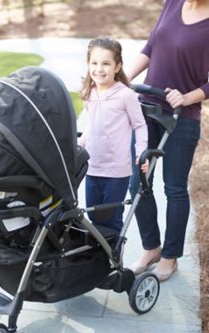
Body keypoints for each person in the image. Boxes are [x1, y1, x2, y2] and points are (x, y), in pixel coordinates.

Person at [127, 0, 209, 281]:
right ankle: (151, 248)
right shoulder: (173, 2)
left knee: (174, 189)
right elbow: (151, 47)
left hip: (182, 117)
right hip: (146, 107)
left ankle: (170, 256)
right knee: (137, 182)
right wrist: (123, 79)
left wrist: (187, 97)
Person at [78, 36, 149, 233]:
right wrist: (79, 146)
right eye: (94, 63)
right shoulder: (90, 93)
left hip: (116, 172)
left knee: (110, 218)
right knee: (93, 215)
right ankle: (97, 260)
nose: (99, 69)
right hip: (92, 168)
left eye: (106, 64)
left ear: (117, 67)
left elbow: (140, 126)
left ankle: (113, 259)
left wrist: (141, 152)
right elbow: (92, 126)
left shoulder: (126, 95)